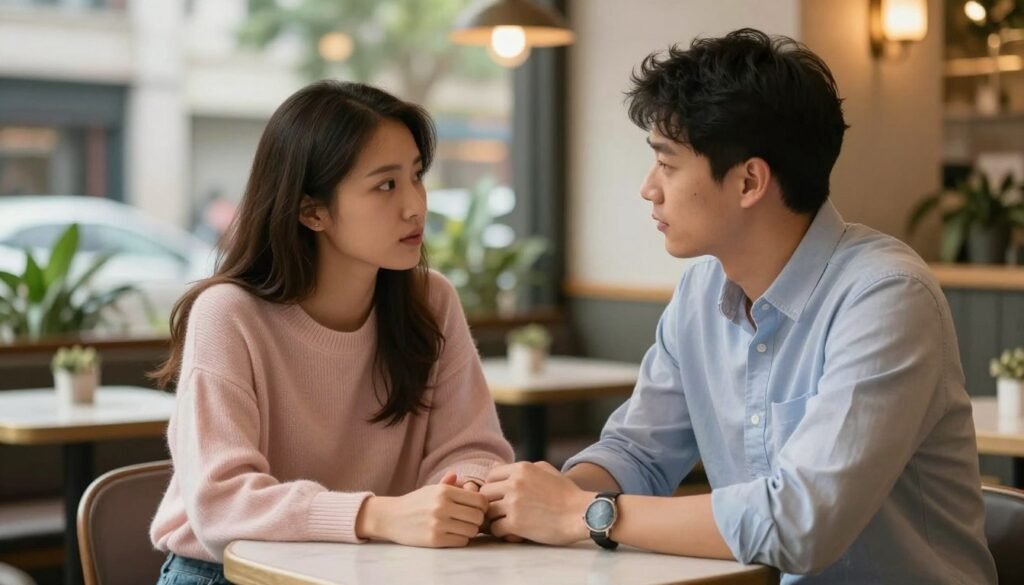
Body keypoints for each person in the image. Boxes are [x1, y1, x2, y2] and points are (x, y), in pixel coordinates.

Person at [479, 29, 997, 584]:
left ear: (750, 181)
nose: (649, 188)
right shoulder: (700, 292)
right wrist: (530, 503)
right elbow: (639, 453)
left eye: (667, 164)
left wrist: (581, 514)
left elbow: (802, 522)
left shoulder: (886, 296)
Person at [148, 80, 513, 585]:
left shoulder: (431, 301)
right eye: (386, 185)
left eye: (416, 176)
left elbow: (473, 449)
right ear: (311, 210)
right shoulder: (228, 314)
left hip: (377, 566)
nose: (415, 205)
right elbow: (221, 504)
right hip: (226, 572)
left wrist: (460, 494)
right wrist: (378, 515)